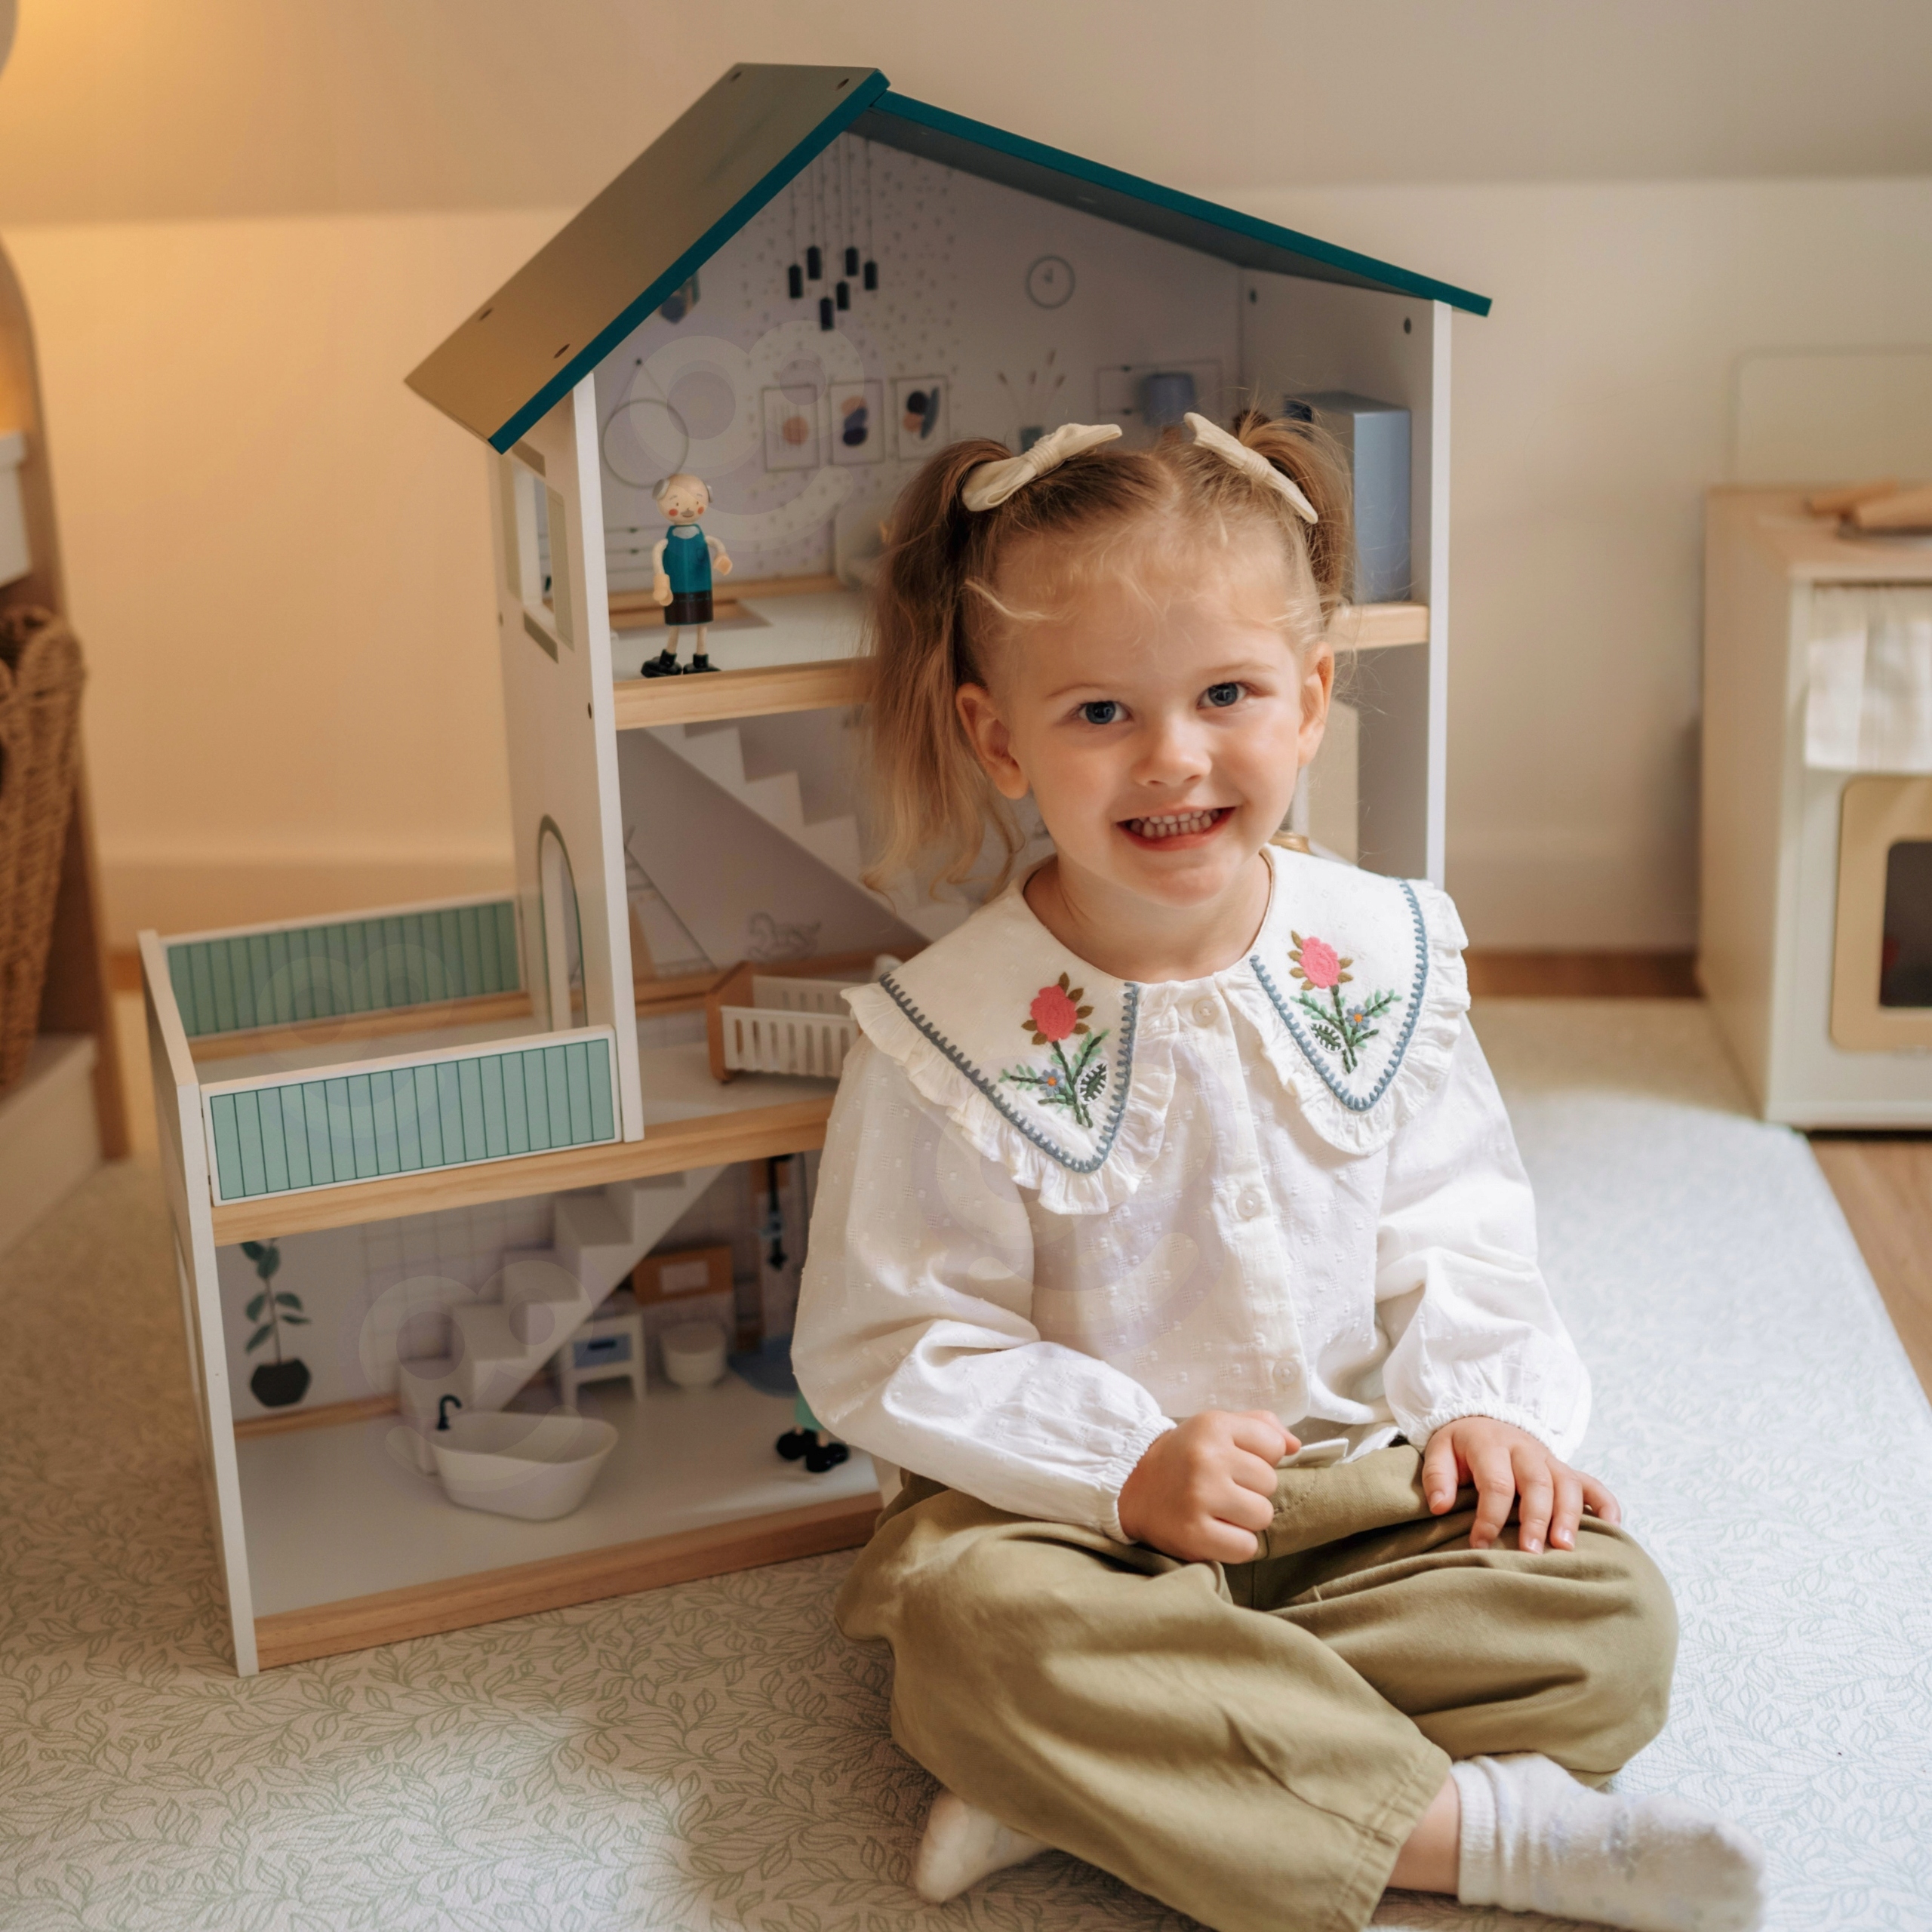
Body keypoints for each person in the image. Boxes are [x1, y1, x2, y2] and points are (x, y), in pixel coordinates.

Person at [791, 413, 1766, 1932]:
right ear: (1000, 739)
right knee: (974, 1632)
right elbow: (897, 1342)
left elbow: (1457, 1220)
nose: (1173, 755)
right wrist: (1125, 1463)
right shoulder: (947, 1033)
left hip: (1346, 1494)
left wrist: (1484, 1404)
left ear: (1309, 700)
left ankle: (1106, 1765)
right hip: (1069, 1530)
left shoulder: (1378, 952)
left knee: (1608, 1614)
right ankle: (1474, 1832)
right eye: (1100, 710)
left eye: (1226, 694)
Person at [643, 471, 731, 675]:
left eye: (697, 502)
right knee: (675, 624)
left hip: (701, 584)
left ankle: (700, 660)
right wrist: (661, 580)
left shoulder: (701, 536)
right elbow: (657, 553)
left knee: (702, 624)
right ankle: (668, 658)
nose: (689, 509)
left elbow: (717, 544)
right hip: (676, 587)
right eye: (677, 503)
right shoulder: (668, 540)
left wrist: (722, 555)